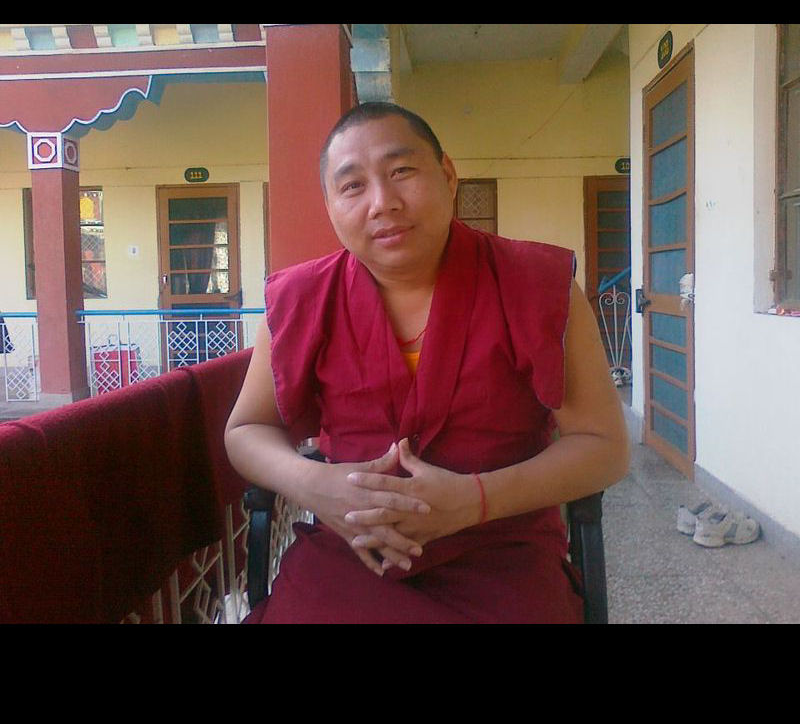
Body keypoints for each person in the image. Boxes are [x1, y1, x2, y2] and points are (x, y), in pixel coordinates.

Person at [225, 102, 630, 624]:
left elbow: (603, 447)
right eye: (352, 186)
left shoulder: (535, 283)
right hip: (352, 550)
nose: (383, 203)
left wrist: (475, 499)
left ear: (447, 175)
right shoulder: (299, 298)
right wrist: (309, 484)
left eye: (401, 171)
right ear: (329, 205)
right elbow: (246, 429)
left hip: (500, 549)